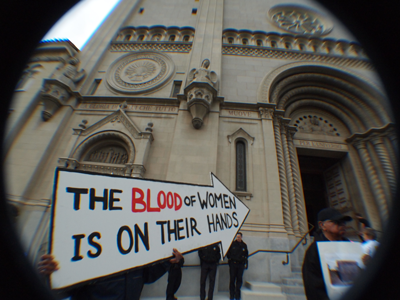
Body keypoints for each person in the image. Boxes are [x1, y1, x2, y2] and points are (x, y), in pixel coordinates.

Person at [38, 248, 184, 300]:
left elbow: (147, 276)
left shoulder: (136, 254)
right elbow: (60, 292)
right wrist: (51, 275)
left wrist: (169, 261)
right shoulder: (86, 256)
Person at [302, 208, 352, 300]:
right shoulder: (314, 251)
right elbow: (312, 285)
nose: (342, 225)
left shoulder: (351, 247)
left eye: (343, 222)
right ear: (322, 225)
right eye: (336, 222)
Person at [227, 232, 248, 300]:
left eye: (239, 237)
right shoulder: (232, 244)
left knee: (239, 279)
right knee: (232, 279)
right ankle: (232, 295)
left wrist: (245, 263)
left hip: (240, 264)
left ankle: (237, 295)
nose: (238, 238)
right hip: (233, 264)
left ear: (241, 237)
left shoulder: (244, 245)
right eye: (237, 237)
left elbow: (246, 255)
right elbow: (228, 254)